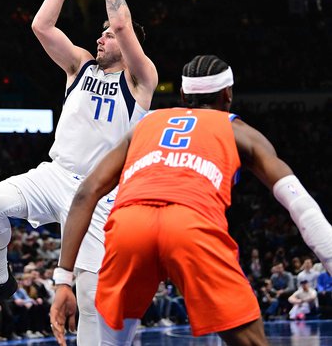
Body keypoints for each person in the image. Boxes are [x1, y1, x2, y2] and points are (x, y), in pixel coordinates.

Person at [50, 54, 332, 346]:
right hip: (190, 224)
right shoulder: (238, 130)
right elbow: (300, 204)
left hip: (128, 226)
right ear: (228, 94)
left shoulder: (145, 124)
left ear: (183, 95)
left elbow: (86, 193)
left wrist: (63, 279)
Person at [0, 0, 158, 346]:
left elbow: (123, 24)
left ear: (128, 46)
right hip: (54, 175)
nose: (100, 38)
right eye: (101, 34)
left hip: (101, 193)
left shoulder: (140, 80)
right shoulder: (80, 67)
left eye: (106, 36)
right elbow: (41, 25)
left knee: (89, 298)